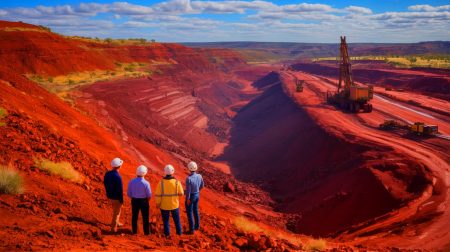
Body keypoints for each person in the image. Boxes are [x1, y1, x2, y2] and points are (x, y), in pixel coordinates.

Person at [154, 164, 184, 237]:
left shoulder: (161, 183)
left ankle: (167, 235)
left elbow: (158, 195)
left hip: (164, 206)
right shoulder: (177, 183)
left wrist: (158, 204)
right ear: (173, 172)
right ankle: (179, 234)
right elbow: (181, 193)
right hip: (174, 205)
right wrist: (176, 199)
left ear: (165, 172)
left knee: (166, 221)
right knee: (177, 221)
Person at [127, 165, 152, 235]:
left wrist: (134, 197)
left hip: (134, 200)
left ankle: (134, 231)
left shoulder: (131, 182)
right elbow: (149, 195)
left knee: (134, 216)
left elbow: (129, 194)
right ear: (145, 173)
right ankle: (146, 233)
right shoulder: (146, 183)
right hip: (144, 201)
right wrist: (147, 201)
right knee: (145, 217)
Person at [103, 157, 124, 233]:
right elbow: (120, 190)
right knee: (116, 212)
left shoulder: (107, 173)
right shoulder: (118, 177)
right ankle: (113, 228)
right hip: (116, 197)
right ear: (119, 166)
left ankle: (117, 222)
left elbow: (105, 183)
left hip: (110, 196)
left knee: (116, 210)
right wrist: (121, 200)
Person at [185, 161, 204, 234]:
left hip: (191, 196)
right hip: (197, 195)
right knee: (195, 210)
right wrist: (197, 191)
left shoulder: (188, 179)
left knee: (189, 212)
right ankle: (197, 226)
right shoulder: (199, 176)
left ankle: (192, 230)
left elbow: (188, 191)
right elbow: (202, 186)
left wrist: (187, 199)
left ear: (189, 169)